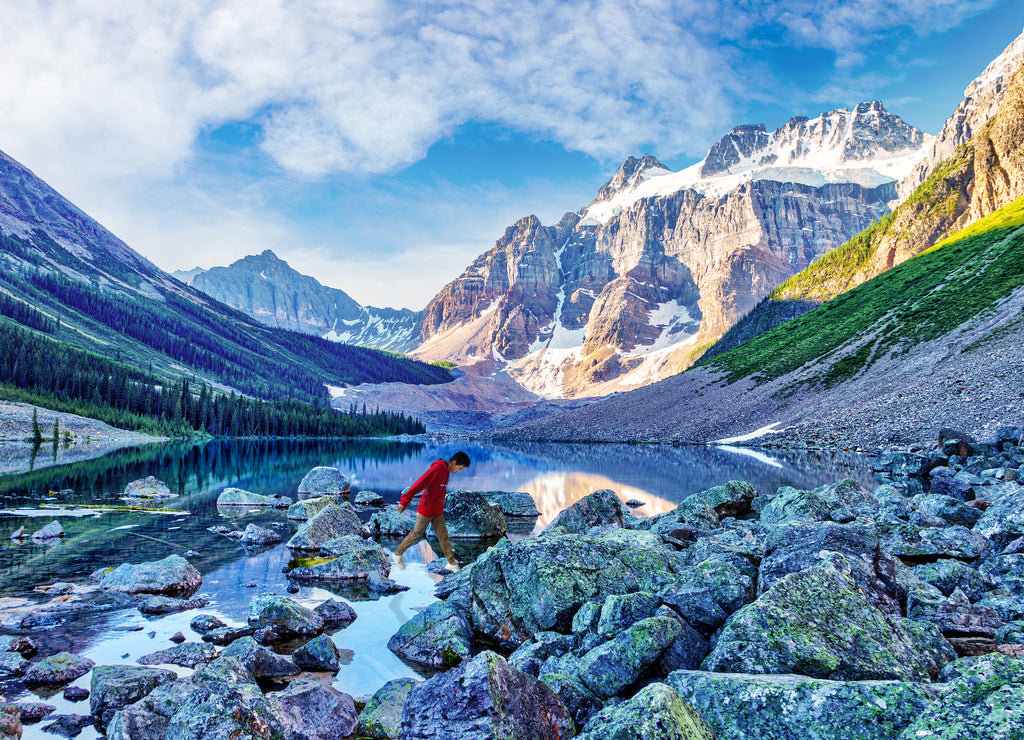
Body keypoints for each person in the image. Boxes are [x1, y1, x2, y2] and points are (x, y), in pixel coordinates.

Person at [391, 451, 470, 572]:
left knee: (443, 536)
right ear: (453, 462)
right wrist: (404, 501)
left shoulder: (446, 471)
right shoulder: (438, 469)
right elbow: (420, 483)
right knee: (416, 534)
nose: (459, 471)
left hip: (437, 511)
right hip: (426, 510)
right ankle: (397, 554)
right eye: (459, 468)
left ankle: (451, 563)